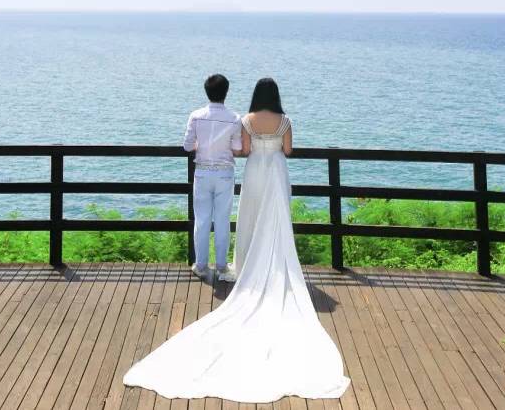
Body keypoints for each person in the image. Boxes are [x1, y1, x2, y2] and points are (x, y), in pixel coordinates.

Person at [123, 77, 350, 402]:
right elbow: (288, 150)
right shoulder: (285, 121)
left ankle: (240, 264)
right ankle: (276, 265)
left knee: (250, 217)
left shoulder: (245, 120)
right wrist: (274, 146)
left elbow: (243, 150)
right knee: (277, 218)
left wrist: (248, 147)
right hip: (276, 170)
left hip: (255, 169)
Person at [183, 73, 241, 281]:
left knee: (202, 219)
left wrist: (200, 146)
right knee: (223, 220)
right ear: (226, 92)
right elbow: (237, 149)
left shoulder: (196, 116)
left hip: (202, 172)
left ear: (207, 91)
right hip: (224, 173)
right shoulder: (235, 118)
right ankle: (222, 266)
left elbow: (187, 146)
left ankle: (201, 265)